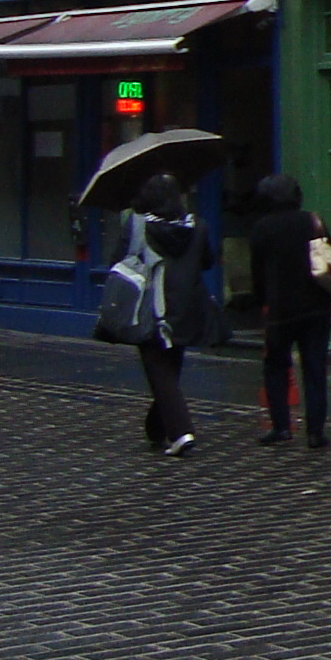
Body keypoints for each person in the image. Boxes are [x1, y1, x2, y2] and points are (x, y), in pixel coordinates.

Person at [128, 171, 220, 457]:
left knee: (158, 369)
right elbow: (208, 261)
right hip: (186, 306)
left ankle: (181, 433)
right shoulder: (198, 226)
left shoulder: (139, 226)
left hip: (151, 305)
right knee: (170, 367)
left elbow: (121, 260)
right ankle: (156, 428)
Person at [247, 173, 331, 449]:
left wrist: (261, 301)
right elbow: (328, 256)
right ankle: (315, 431)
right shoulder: (312, 221)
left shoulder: (262, 228)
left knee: (276, 366)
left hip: (280, 307)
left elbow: (258, 272)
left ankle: (281, 426)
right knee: (315, 367)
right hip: (316, 303)